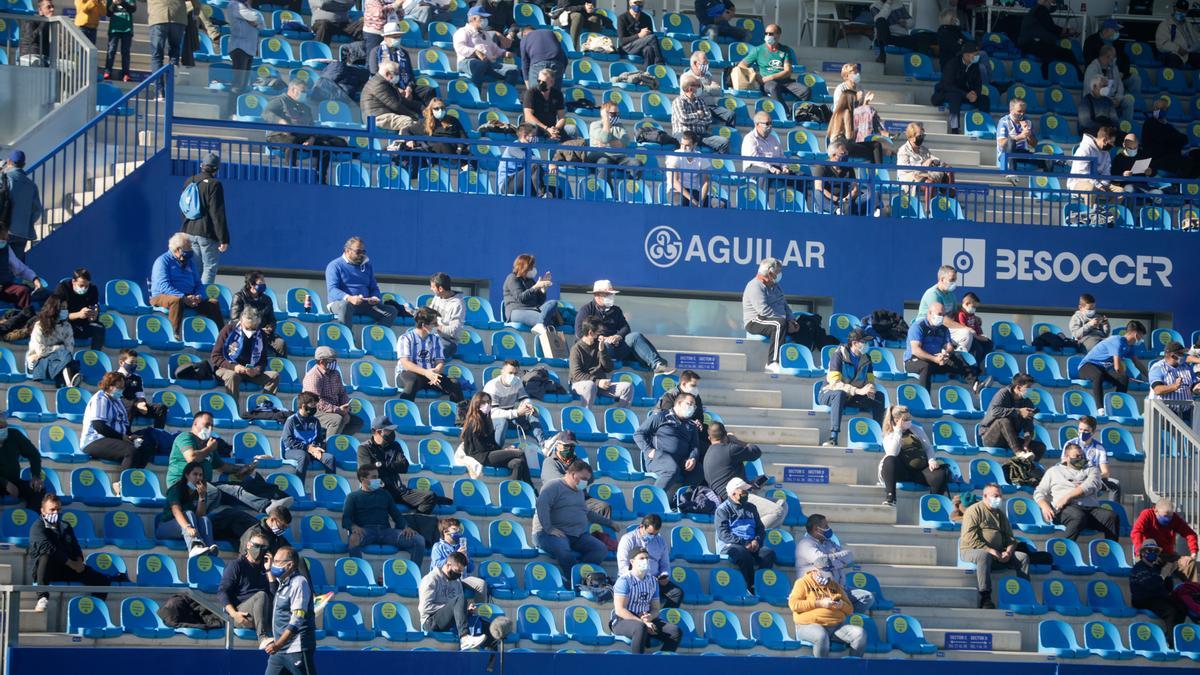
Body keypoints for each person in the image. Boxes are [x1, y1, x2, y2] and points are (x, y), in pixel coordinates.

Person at [167, 411, 281, 517]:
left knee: (238, 489)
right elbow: (191, 458)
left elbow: (221, 466)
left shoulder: (209, 444)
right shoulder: (185, 437)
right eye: (206, 425)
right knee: (217, 492)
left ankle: (271, 503)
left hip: (203, 485)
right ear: (195, 423)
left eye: (212, 426)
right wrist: (209, 448)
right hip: (183, 486)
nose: (210, 429)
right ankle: (195, 516)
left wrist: (241, 469)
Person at [28, 494, 118, 612]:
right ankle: (42, 597)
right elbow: (48, 548)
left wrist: (79, 561)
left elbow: (75, 546)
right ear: (42, 511)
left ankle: (96, 610)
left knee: (102, 581)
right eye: (52, 510)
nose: (56, 513)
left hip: (69, 568)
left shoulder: (65, 525)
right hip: (48, 571)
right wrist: (72, 563)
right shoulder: (37, 527)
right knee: (46, 555)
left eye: (58, 509)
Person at [574, 280, 673, 375]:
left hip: (616, 347)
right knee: (606, 346)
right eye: (607, 294)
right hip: (597, 350)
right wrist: (601, 340)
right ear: (597, 296)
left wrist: (618, 336)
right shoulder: (586, 310)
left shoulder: (616, 310)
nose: (611, 296)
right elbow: (580, 333)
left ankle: (657, 365)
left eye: (611, 294)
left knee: (635, 336)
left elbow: (625, 327)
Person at [358, 417, 453, 514]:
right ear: (377, 432)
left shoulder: (395, 445)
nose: (392, 433)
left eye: (393, 430)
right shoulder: (364, 448)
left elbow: (404, 466)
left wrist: (381, 464)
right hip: (378, 491)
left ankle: (413, 525)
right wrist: (390, 467)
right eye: (389, 431)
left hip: (398, 490)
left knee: (430, 496)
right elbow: (368, 472)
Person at [958, 483, 1030, 608]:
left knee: (1023, 557)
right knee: (983, 555)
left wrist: (1008, 551)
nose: (999, 499)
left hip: (998, 553)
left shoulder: (1000, 514)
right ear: (985, 496)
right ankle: (985, 597)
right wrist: (991, 550)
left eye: (1000, 496)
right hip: (972, 550)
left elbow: (1010, 538)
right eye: (995, 496)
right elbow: (969, 537)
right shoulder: (974, 510)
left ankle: (1024, 594)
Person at [263, 79, 349, 180]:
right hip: (280, 135)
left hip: (302, 136)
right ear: (293, 90)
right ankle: (291, 176)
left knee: (325, 146)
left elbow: (311, 126)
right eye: (302, 91)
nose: (305, 94)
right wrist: (282, 122)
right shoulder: (279, 101)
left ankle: (320, 178)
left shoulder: (305, 108)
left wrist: (311, 138)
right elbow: (266, 113)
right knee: (291, 142)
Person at [534, 459, 609, 573]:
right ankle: (575, 579)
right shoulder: (553, 486)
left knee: (600, 549)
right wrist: (548, 528)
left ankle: (583, 574)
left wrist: (610, 523)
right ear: (573, 474)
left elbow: (587, 513)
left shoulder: (579, 492)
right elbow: (541, 506)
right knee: (563, 549)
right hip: (547, 534)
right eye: (584, 479)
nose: (585, 482)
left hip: (576, 535)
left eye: (587, 480)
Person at [1034, 442, 1119, 541]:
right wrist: (1045, 507)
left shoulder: (1092, 469)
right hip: (1065, 509)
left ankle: (1111, 551)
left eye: (1082, 455)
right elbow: (1039, 492)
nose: (1081, 458)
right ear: (1066, 457)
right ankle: (1067, 549)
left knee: (1111, 516)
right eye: (1077, 456)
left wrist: (1067, 497)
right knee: (1078, 516)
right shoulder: (1053, 471)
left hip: (1089, 509)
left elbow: (1091, 485)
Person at [149, 232, 224, 339]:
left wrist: (199, 296)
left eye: (190, 250)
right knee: (177, 300)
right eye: (187, 250)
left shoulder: (189, 263)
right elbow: (164, 286)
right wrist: (183, 297)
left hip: (188, 296)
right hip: (162, 296)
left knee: (213, 303)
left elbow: (198, 284)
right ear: (177, 250)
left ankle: (222, 336)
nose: (189, 253)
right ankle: (174, 335)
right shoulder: (162, 261)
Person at [344, 466, 426, 561]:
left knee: (419, 540)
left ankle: (413, 573)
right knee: (353, 539)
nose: (378, 480)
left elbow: (396, 515)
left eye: (378, 477)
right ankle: (359, 572)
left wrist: (405, 527)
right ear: (363, 479)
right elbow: (346, 519)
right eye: (374, 477)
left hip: (386, 531)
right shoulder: (352, 497)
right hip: (366, 531)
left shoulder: (385, 494)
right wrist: (353, 527)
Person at [794, 513, 873, 612]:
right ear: (816, 529)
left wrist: (832, 562)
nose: (828, 528)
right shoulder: (805, 544)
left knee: (866, 597)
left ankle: (844, 616)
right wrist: (839, 560)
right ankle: (840, 616)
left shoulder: (829, 542)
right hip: (819, 591)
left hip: (840, 589)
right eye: (825, 526)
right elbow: (822, 562)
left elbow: (849, 555)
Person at [80, 371, 154, 477]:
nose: (122, 390)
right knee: (131, 451)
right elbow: (99, 426)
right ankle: (121, 484)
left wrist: (130, 436)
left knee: (145, 446)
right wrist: (122, 437)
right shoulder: (100, 399)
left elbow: (124, 423)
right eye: (119, 387)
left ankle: (132, 478)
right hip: (95, 439)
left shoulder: (117, 400)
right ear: (109, 386)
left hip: (114, 438)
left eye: (123, 387)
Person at [819, 329, 885, 447]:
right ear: (854, 343)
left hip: (852, 396)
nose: (867, 345)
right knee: (839, 394)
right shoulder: (838, 355)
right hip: (830, 393)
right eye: (864, 342)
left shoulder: (867, 358)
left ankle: (881, 436)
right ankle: (833, 438)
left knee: (879, 397)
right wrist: (858, 391)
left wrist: (870, 388)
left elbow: (870, 379)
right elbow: (835, 383)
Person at [610, 547, 683, 653]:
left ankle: (662, 663)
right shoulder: (624, 580)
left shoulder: (653, 581)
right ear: (632, 561)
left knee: (675, 631)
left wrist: (650, 617)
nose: (645, 561)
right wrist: (643, 623)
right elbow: (620, 610)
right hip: (623, 620)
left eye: (647, 558)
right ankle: (638, 664)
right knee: (640, 627)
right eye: (641, 558)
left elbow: (655, 608)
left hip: (645, 619)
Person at [742, 257, 806, 374]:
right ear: (770, 272)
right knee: (778, 324)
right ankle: (772, 362)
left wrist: (791, 320)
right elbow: (763, 310)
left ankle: (803, 363)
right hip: (755, 321)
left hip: (777, 319)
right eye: (778, 272)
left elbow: (785, 305)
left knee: (803, 325)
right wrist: (785, 322)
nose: (779, 275)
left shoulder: (776, 286)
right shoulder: (754, 285)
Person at [879, 405, 949, 507]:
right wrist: (898, 431)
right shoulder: (889, 435)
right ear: (896, 420)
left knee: (940, 474)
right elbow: (892, 452)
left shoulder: (917, 430)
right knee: (889, 460)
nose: (909, 421)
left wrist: (931, 460)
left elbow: (928, 447)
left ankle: (932, 504)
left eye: (909, 418)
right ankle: (891, 497)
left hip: (920, 471)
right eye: (905, 419)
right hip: (902, 471)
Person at [262, 546, 317, 674]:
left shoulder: (299, 582)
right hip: (280, 650)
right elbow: (275, 592)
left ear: (290, 565)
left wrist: (278, 644)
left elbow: (297, 619)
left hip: (297, 648)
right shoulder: (283, 583)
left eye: (277, 562)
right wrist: (269, 569)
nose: (274, 564)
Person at [904, 301, 980, 393]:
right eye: (939, 314)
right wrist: (934, 358)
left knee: (958, 358)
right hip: (914, 360)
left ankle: (976, 385)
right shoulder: (918, 327)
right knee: (926, 366)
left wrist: (946, 353)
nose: (941, 317)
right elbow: (916, 350)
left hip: (937, 359)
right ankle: (925, 400)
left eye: (943, 315)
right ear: (929, 313)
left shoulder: (943, 329)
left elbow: (949, 347)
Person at [788, 568, 866, 658]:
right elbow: (794, 605)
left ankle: (854, 669)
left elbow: (850, 609)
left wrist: (841, 605)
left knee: (860, 634)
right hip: (809, 625)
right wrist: (819, 603)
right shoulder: (802, 582)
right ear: (816, 570)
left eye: (830, 573)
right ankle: (822, 670)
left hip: (836, 626)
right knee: (821, 636)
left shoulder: (835, 585)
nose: (827, 576)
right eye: (825, 573)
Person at [418, 551, 489, 649]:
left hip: (449, 621)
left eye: (461, 571)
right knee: (460, 600)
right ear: (448, 565)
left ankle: (491, 656)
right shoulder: (431, 579)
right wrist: (452, 607)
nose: (459, 574)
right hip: (430, 622)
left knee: (485, 624)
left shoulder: (457, 581)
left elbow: (456, 606)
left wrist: (465, 611)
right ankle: (464, 638)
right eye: (457, 570)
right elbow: (425, 608)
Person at [715, 477, 775, 592]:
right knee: (743, 555)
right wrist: (744, 543)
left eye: (747, 491)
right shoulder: (722, 510)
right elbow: (724, 534)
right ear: (733, 493)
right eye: (743, 491)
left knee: (768, 554)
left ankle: (761, 584)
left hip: (751, 544)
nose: (746, 493)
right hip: (731, 545)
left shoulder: (751, 508)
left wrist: (757, 540)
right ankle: (750, 586)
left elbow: (760, 529)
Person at [635, 393, 700, 497]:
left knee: (699, 470)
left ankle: (683, 499)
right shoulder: (661, 417)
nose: (692, 407)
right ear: (679, 403)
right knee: (671, 469)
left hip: (680, 460)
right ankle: (654, 500)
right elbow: (639, 434)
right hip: (659, 457)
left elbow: (695, 446)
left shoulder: (692, 425)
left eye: (694, 405)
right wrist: (648, 450)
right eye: (690, 404)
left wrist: (692, 458)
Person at [459, 392, 533, 483]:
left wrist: (505, 449)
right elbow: (481, 448)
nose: (487, 405)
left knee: (518, 463)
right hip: (481, 456)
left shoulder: (486, 420)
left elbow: (492, 443)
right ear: (476, 404)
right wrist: (505, 452)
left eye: (489, 402)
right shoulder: (474, 422)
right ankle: (531, 488)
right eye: (483, 402)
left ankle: (514, 493)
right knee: (520, 453)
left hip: (489, 454)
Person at [1078, 320, 1147, 418]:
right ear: (1135, 334)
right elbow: (1117, 367)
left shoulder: (1130, 346)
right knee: (1098, 375)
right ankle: (1100, 409)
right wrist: (1123, 374)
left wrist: (1149, 376)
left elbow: (1137, 363)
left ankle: (1116, 407)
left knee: (1123, 378)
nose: (1141, 339)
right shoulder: (1117, 341)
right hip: (1087, 366)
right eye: (1141, 336)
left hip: (1105, 368)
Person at [325, 236, 398, 328]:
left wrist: (375, 297)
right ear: (347, 250)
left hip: (364, 304)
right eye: (358, 251)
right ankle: (348, 339)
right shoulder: (335, 265)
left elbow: (374, 287)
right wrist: (349, 298)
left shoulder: (367, 266)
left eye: (363, 252)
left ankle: (376, 338)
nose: (361, 254)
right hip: (341, 304)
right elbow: (332, 290)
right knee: (345, 305)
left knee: (391, 311)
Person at [397, 307, 464, 402]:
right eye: (434, 323)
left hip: (431, 375)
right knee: (411, 383)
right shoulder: (405, 338)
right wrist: (425, 372)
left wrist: (436, 370)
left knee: (454, 384)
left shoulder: (435, 339)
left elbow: (440, 361)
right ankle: (405, 413)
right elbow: (405, 363)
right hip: (408, 374)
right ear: (424, 325)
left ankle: (461, 414)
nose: (437, 326)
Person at [210, 310, 279, 403]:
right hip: (227, 368)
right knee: (233, 376)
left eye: (253, 328)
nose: (250, 331)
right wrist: (234, 367)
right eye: (247, 327)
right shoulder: (228, 330)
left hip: (249, 371)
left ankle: (264, 407)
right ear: (241, 321)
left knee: (274, 376)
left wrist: (258, 369)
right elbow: (215, 357)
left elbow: (263, 360)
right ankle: (234, 411)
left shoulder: (261, 334)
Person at [369, 23, 437, 112]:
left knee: (428, 90)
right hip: (386, 88)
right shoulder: (376, 52)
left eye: (398, 36)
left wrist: (409, 88)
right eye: (394, 36)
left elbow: (411, 76)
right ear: (386, 37)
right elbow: (374, 74)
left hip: (404, 87)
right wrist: (396, 89)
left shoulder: (404, 53)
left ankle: (432, 118)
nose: (397, 39)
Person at [158, 461, 221, 558]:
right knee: (189, 513)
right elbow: (176, 511)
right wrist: (187, 528)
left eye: (201, 475)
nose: (198, 478)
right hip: (165, 528)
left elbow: (200, 516)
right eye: (195, 474)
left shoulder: (200, 491)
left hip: (187, 528)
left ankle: (210, 547)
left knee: (205, 519)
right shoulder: (176, 489)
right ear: (187, 475)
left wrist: (201, 497)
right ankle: (194, 546)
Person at [617, 515, 682, 608]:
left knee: (676, 593)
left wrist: (665, 575)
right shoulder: (628, 539)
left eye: (656, 534)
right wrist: (640, 578)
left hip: (655, 580)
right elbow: (623, 566)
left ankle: (661, 617)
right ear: (641, 527)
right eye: (650, 533)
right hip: (633, 580)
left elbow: (665, 564)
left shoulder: (660, 541)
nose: (653, 536)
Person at [1130, 540, 1188, 643]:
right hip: (1143, 599)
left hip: (1157, 597)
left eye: (1155, 551)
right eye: (1150, 550)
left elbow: (1168, 588)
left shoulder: (1157, 567)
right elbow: (1149, 585)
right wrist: (1162, 575)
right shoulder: (1139, 568)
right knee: (1170, 611)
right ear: (1143, 553)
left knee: (1182, 608)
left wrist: (1168, 574)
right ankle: (1172, 642)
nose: (1153, 552)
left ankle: (1170, 634)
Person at [736, 24, 809, 105]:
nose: (767, 36)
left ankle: (797, 112)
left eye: (770, 34)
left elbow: (788, 71)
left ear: (778, 35)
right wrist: (755, 74)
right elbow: (741, 65)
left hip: (786, 82)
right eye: (766, 33)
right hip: (768, 83)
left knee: (805, 91)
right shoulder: (758, 50)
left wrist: (770, 77)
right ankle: (785, 113)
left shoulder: (785, 50)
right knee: (774, 87)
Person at [220, 532, 273, 641]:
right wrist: (234, 614)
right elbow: (222, 592)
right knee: (261, 595)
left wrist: (269, 570)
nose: (259, 550)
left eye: (263, 547)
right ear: (248, 545)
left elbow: (275, 594)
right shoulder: (236, 565)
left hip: (264, 614)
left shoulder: (268, 568)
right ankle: (262, 637)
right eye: (256, 546)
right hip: (243, 614)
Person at [1131, 498, 1199, 583]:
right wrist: (1140, 552)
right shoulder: (1147, 514)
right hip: (1148, 553)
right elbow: (1136, 532)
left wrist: (1193, 555)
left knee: (1190, 564)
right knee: (1150, 571)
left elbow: (1190, 533)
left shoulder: (1175, 518)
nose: (1168, 519)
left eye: (1170, 516)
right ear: (1156, 511)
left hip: (1169, 556)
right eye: (1165, 516)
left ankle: (1193, 592)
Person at [570, 318, 633, 407]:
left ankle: (622, 414)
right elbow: (576, 375)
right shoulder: (576, 349)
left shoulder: (600, 345)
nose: (602, 335)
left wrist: (602, 351)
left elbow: (609, 368)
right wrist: (597, 382)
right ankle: (586, 417)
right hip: (581, 384)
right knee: (590, 386)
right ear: (591, 333)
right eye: (599, 333)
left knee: (627, 387)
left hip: (601, 385)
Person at [916, 265, 976, 355]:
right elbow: (942, 319)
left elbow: (955, 314)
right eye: (952, 280)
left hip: (943, 328)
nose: (954, 283)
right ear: (942, 279)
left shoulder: (951, 295)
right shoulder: (933, 294)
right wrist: (965, 327)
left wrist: (972, 318)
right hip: (928, 328)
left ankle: (957, 357)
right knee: (966, 333)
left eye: (955, 280)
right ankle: (954, 358)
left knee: (972, 338)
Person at [300, 346, 359, 439]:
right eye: (331, 360)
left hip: (333, 408)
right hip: (314, 411)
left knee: (356, 422)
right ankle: (328, 447)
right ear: (321, 361)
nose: (334, 362)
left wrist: (345, 408)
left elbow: (342, 392)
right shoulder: (314, 376)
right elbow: (315, 402)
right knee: (336, 420)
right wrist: (339, 410)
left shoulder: (335, 373)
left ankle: (337, 440)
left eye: (335, 359)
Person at [453, 6, 520, 85]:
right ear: (474, 18)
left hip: (487, 63)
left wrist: (504, 53)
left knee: (514, 70)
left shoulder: (485, 34)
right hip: (466, 62)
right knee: (480, 65)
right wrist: (476, 52)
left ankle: (503, 95)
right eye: (482, 17)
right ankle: (476, 94)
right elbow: (460, 47)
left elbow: (494, 48)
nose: (485, 20)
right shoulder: (463, 31)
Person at [483, 359, 544, 446]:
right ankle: (496, 449)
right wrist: (517, 413)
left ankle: (543, 444)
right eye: (510, 373)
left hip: (509, 417)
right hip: (490, 420)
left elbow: (525, 398)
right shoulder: (492, 387)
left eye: (515, 373)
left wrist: (528, 405)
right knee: (502, 422)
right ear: (502, 372)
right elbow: (493, 413)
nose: (513, 376)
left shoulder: (517, 381)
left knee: (532, 412)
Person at [1018, 0, 1082, 80]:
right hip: (1032, 44)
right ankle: (1080, 78)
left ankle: (1047, 78)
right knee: (1068, 53)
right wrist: (1069, 31)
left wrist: (1068, 33)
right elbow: (1052, 28)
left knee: (1050, 54)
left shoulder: (1036, 10)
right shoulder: (1041, 9)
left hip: (1032, 44)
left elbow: (1051, 31)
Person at [931, 41, 985, 135]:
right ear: (967, 55)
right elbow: (948, 86)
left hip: (965, 94)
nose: (977, 56)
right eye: (975, 54)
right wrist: (966, 94)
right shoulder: (952, 64)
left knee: (985, 99)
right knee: (954, 96)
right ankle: (955, 129)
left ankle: (984, 126)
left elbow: (978, 83)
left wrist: (976, 93)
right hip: (948, 92)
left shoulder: (975, 65)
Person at [26, 296, 81, 387]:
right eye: (62, 308)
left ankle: (69, 382)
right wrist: (59, 347)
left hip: (60, 359)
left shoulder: (67, 326)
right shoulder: (40, 326)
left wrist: (58, 351)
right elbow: (41, 351)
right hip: (39, 360)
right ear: (53, 309)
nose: (65, 311)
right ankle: (70, 382)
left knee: (66, 356)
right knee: (67, 359)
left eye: (66, 308)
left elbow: (69, 350)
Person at [1141, 97, 1200, 180]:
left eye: (1163, 109)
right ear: (1153, 109)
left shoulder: (1167, 126)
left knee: (1197, 154)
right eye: (1157, 108)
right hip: (1156, 159)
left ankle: (1189, 184)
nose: (1160, 111)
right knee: (1185, 162)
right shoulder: (1149, 123)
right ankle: (1179, 185)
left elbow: (1184, 139)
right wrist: (1173, 139)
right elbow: (1163, 139)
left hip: (1171, 157)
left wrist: (1172, 139)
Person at [280, 392, 335, 481]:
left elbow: (319, 439)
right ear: (303, 406)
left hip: (312, 451)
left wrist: (316, 448)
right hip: (292, 451)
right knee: (303, 456)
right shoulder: (291, 420)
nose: (314, 408)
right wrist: (307, 448)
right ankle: (299, 487)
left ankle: (329, 489)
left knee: (329, 458)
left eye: (315, 405)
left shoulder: (315, 421)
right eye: (312, 405)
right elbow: (288, 441)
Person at [896, 122, 951, 208]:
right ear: (911, 137)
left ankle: (950, 198)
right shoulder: (903, 150)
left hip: (924, 175)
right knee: (930, 182)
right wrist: (922, 164)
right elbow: (904, 168)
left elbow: (933, 158)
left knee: (948, 171)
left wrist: (940, 163)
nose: (922, 138)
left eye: (923, 136)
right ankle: (929, 211)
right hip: (910, 177)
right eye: (919, 136)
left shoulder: (923, 149)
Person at [670, 76, 730, 155]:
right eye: (698, 86)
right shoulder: (678, 101)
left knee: (724, 142)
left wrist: (692, 119)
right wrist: (698, 115)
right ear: (690, 89)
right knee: (688, 142)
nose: (701, 88)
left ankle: (713, 163)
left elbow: (708, 119)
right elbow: (683, 119)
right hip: (683, 134)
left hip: (700, 135)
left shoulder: (700, 101)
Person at [230, 271, 285, 356]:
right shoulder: (239, 297)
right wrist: (256, 330)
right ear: (252, 284)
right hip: (246, 333)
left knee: (280, 343)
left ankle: (281, 368)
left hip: (265, 334)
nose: (264, 283)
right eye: (261, 281)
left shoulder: (267, 299)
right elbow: (235, 319)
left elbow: (272, 319)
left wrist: (270, 327)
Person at [503, 253, 560, 335]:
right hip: (516, 311)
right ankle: (540, 324)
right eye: (532, 267)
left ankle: (540, 324)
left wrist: (543, 290)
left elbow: (539, 302)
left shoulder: (530, 281)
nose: (534, 269)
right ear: (525, 267)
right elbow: (520, 297)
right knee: (548, 321)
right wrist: (535, 287)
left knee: (553, 303)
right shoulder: (512, 278)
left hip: (532, 309)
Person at [431, 517, 487, 599]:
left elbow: (471, 569)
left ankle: (478, 610)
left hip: (463, 578)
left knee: (481, 584)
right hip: (446, 578)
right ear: (445, 532)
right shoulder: (438, 546)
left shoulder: (461, 546)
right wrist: (455, 556)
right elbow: (437, 564)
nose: (458, 531)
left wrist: (466, 558)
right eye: (454, 529)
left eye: (459, 529)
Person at [1084, 19, 1140, 100]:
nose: (1117, 33)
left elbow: (1125, 59)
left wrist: (1122, 72)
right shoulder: (1091, 41)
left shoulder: (1118, 43)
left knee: (1135, 79)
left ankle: (1136, 104)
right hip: (1100, 75)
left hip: (1118, 75)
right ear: (1106, 30)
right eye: (1115, 30)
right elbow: (1090, 61)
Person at [979, 374, 1036, 452]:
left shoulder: (1028, 402)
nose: (1031, 390)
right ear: (1018, 387)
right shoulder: (1003, 393)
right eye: (1028, 387)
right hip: (992, 438)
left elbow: (1029, 426)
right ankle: (1018, 452)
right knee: (1003, 420)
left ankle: (1021, 463)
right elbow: (995, 411)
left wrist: (1026, 443)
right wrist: (1018, 411)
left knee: (1039, 447)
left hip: (1011, 439)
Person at [51, 268, 105, 352]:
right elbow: (57, 315)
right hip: (65, 324)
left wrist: (93, 316)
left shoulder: (93, 289)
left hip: (82, 325)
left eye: (86, 286)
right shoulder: (62, 288)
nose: (84, 288)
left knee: (99, 328)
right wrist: (78, 314)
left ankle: (95, 356)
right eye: (81, 285)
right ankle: (63, 358)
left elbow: (94, 315)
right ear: (73, 282)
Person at [361, 61, 421, 134]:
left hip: (384, 114)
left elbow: (401, 101)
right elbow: (395, 105)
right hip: (377, 118)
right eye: (396, 74)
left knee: (415, 123)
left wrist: (421, 107)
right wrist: (413, 116)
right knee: (407, 121)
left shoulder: (385, 83)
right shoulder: (378, 84)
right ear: (387, 73)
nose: (398, 76)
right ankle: (400, 143)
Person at [1148, 341, 1199, 425]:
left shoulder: (1186, 366)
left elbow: (1193, 384)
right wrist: (1174, 386)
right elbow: (1157, 389)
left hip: (1185, 413)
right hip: (1164, 413)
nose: (1184, 356)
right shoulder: (1158, 367)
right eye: (1181, 354)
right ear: (1173, 355)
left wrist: (1197, 387)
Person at [2, 150, 42, 258]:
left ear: (9, 161)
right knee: (17, 269)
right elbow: (37, 211)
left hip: (4, 231)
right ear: (23, 165)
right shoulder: (32, 185)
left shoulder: (5, 178)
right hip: (22, 233)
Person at [116, 349, 168, 428]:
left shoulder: (137, 378)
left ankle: (157, 434)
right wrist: (135, 404)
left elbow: (140, 395)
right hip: (121, 408)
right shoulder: (114, 377)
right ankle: (126, 434)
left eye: (136, 363)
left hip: (137, 406)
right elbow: (115, 397)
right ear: (121, 363)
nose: (134, 365)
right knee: (131, 405)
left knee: (161, 408)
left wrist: (141, 403)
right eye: (131, 363)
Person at [811, 141, 867, 215]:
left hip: (846, 202)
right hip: (828, 202)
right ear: (833, 156)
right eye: (843, 154)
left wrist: (846, 199)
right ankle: (837, 210)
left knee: (871, 194)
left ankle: (878, 211)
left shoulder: (848, 168)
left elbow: (855, 189)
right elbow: (819, 187)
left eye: (846, 153)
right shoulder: (821, 166)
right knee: (817, 193)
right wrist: (836, 199)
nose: (846, 155)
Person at [1075, 415, 1121, 502]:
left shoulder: (1099, 448)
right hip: (1074, 477)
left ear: (1092, 432)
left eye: (1086, 430)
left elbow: (1106, 472)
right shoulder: (1070, 444)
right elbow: (1064, 464)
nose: (1082, 433)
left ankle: (1114, 511)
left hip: (1092, 478)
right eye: (1080, 429)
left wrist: (1092, 477)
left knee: (1115, 485)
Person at [1083, 46, 1133, 125]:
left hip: (1113, 98)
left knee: (1128, 102)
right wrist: (1109, 100)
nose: (1115, 58)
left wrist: (1118, 98)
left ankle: (1126, 128)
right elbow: (1091, 90)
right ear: (1107, 57)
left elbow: (1120, 85)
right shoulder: (1092, 68)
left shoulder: (1114, 67)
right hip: (1097, 99)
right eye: (1114, 56)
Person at [0, 418, 44, 508]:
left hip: (14, 481)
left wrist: (36, 476)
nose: (3, 430)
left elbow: (34, 454)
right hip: (4, 483)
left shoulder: (14, 435)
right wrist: (5, 484)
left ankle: (33, 520)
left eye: (4, 426)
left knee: (38, 490)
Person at [665, 132, 717, 207]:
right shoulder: (675, 156)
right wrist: (692, 199)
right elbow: (674, 182)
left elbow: (705, 182)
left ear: (695, 145)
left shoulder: (700, 157)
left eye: (687, 146)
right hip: (676, 191)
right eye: (682, 145)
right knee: (681, 202)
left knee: (721, 204)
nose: (683, 148)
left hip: (694, 191)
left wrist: (701, 201)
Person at [498, 124, 551, 197]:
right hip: (507, 185)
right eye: (533, 136)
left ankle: (544, 194)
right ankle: (541, 195)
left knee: (556, 190)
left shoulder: (528, 149)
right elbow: (527, 158)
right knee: (535, 166)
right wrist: (549, 164)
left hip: (522, 183)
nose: (535, 138)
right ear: (525, 136)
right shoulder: (513, 147)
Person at [686, 51, 734, 126]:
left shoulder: (708, 75)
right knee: (705, 117)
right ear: (695, 63)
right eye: (705, 61)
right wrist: (710, 88)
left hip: (712, 106)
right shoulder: (688, 77)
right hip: (698, 107)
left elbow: (719, 91)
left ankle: (730, 135)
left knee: (730, 114)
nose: (708, 63)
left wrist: (704, 88)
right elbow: (696, 93)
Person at [995, 98, 1037, 182]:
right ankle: (1012, 173)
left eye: (1024, 111)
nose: (1022, 114)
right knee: (1011, 141)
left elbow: (1034, 144)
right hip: (1006, 154)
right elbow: (1001, 143)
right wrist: (1020, 137)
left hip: (1022, 153)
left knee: (1047, 159)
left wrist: (1029, 135)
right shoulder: (1004, 121)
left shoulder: (1028, 122)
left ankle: (1048, 185)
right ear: (1011, 110)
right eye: (1019, 111)